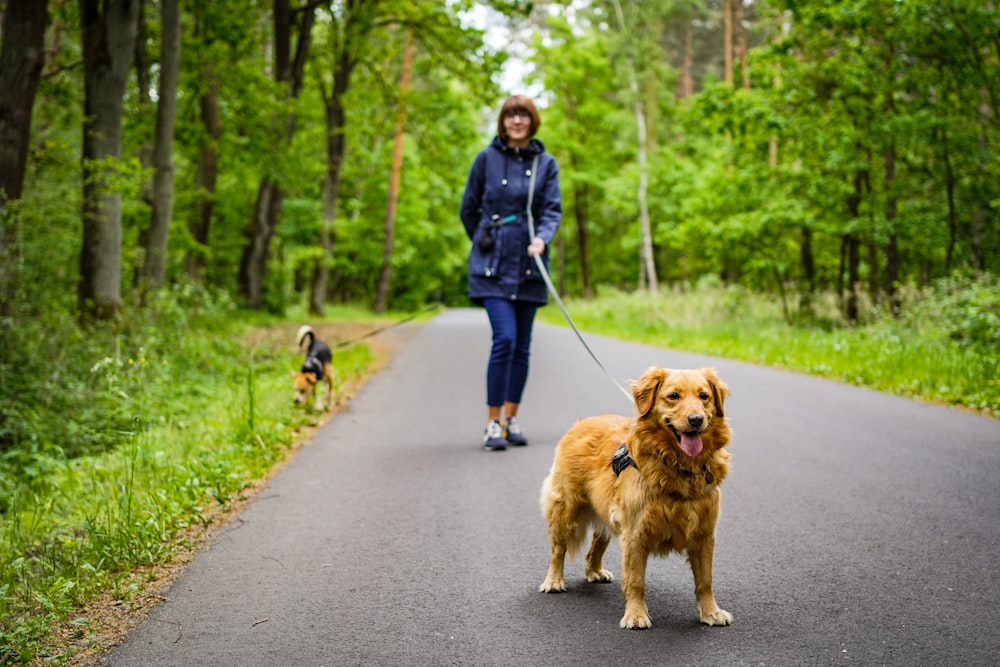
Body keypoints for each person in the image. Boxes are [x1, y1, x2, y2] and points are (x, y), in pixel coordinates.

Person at [460, 95, 563, 450]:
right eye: (510, 115)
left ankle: (510, 418)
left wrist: (542, 240)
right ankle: (492, 422)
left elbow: (552, 210)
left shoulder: (545, 163)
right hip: (492, 267)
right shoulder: (486, 159)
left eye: (523, 115)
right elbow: (468, 209)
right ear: (503, 121)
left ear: (532, 121)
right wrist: (484, 238)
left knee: (522, 346)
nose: (517, 121)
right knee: (504, 339)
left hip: (530, 265)